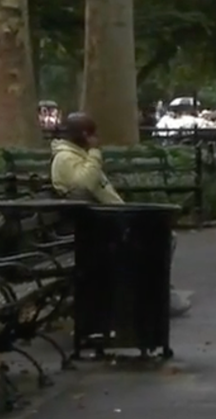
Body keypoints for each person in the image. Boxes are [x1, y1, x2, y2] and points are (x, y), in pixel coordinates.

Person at [50, 112, 192, 317]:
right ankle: (156, 296)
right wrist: (94, 153)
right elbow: (84, 184)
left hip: (107, 218)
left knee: (163, 237)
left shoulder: (76, 155)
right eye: (94, 134)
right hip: (96, 225)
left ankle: (157, 292)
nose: (97, 138)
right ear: (84, 134)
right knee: (159, 240)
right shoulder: (65, 158)